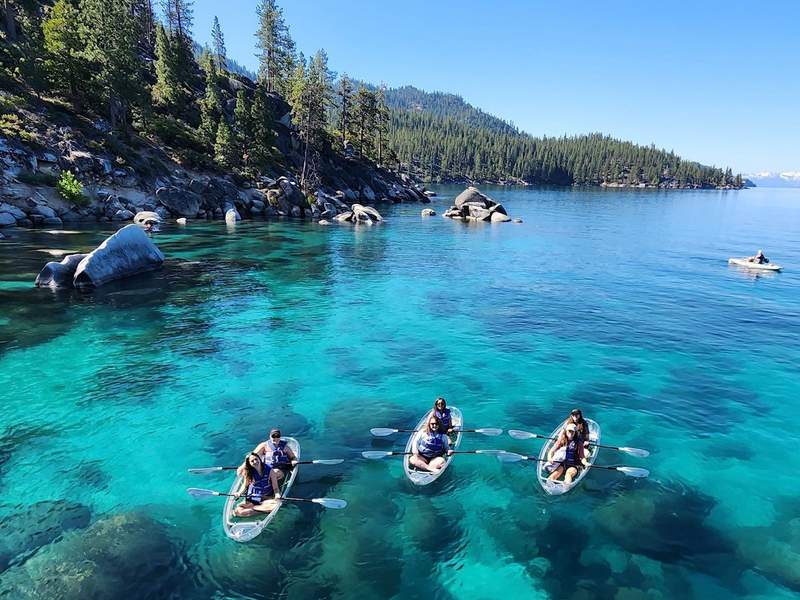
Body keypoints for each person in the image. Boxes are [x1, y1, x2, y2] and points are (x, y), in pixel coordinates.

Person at [233, 452, 282, 517]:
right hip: (253, 498)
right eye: (252, 461)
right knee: (238, 512)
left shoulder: (270, 470)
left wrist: (277, 494)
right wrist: (239, 493)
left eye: (256, 459)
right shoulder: (248, 472)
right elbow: (245, 486)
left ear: (259, 459)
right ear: (249, 463)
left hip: (266, 498)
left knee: (276, 505)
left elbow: (275, 488)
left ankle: (252, 508)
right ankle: (261, 508)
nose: (255, 462)